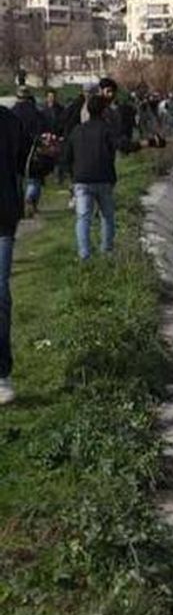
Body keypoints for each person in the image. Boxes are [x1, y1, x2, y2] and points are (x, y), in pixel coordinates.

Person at [59, 95, 120, 261]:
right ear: (103, 111)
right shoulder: (107, 130)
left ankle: (84, 255)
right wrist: (147, 143)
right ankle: (107, 251)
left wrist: (71, 176)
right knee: (107, 216)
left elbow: (66, 157)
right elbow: (122, 145)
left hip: (82, 180)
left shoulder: (77, 130)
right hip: (104, 178)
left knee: (83, 218)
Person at [0, 103, 31, 404]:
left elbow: (25, 164)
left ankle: (1, 373)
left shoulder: (9, 122)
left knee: (0, 294)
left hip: (2, 219)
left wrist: (46, 156)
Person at [11, 88, 50, 216]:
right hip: (33, 149)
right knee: (35, 178)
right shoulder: (36, 113)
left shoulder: (11, 113)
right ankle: (30, 197)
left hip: (14, 150)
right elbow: (44, 130)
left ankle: (18, 206)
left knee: (17, 179)